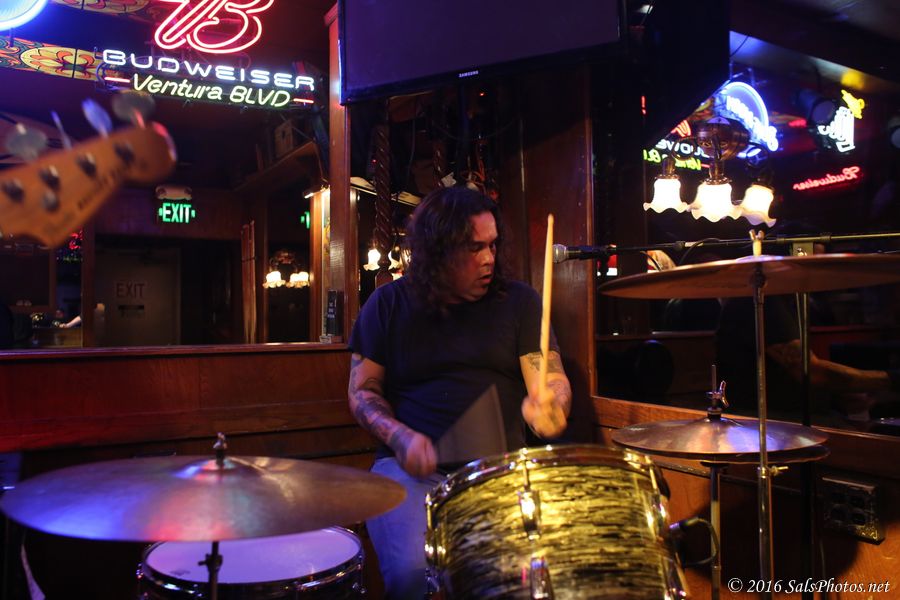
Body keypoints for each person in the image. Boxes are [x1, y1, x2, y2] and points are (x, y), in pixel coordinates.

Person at [347, 185, 572, 599]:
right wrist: (400, 436)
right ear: (439, 251)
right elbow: (363, 391)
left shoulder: (519, 302)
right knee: (414, 572)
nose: (489, 258)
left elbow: (551, 381)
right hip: (410, 472)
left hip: (499, 472)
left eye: (492, 245)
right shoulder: (387, 304)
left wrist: (551, 408)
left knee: (526, 577)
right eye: (474, 248)